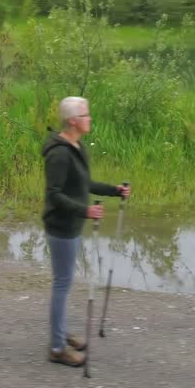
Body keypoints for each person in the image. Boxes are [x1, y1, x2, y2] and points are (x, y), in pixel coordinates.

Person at [41, 95, 131, 367]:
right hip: (61, 226)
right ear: (72, 120)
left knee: (64, 282)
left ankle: (60, 333)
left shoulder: (76, 145)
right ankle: (57, 348)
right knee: (62, 283)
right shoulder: (59, 154)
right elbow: (54, 195)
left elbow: (85, 184)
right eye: (85, 115)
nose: (89, 119)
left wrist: (114, 190)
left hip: (71, 224)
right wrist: (85, 211)